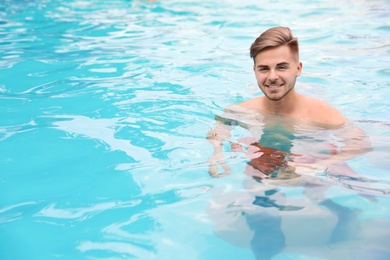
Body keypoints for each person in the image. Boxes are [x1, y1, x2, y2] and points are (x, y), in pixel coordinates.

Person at [207, 26, 371, 179]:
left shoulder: (323, 115)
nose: (272, 76)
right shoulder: (242, 110)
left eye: (281, 67)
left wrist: (317, 166)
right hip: (265, 162)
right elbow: (220, 125)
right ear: (255, 71)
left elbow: (361, 145)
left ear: (298, 69)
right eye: (264, 68)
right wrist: (217, 151)